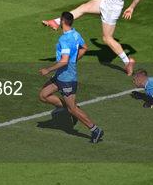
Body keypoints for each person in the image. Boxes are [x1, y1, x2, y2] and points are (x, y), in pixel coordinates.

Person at [39, 12, 104, 143]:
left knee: (73, 109)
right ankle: (69, 109)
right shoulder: (75, 33)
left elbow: (64, 60)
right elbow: (85, 48)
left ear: (63, 21)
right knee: (43, 95)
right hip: (60, 75)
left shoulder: (65, 39)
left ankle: (95, 129)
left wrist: (48, 69)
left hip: (67, 78)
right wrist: (74, 59)